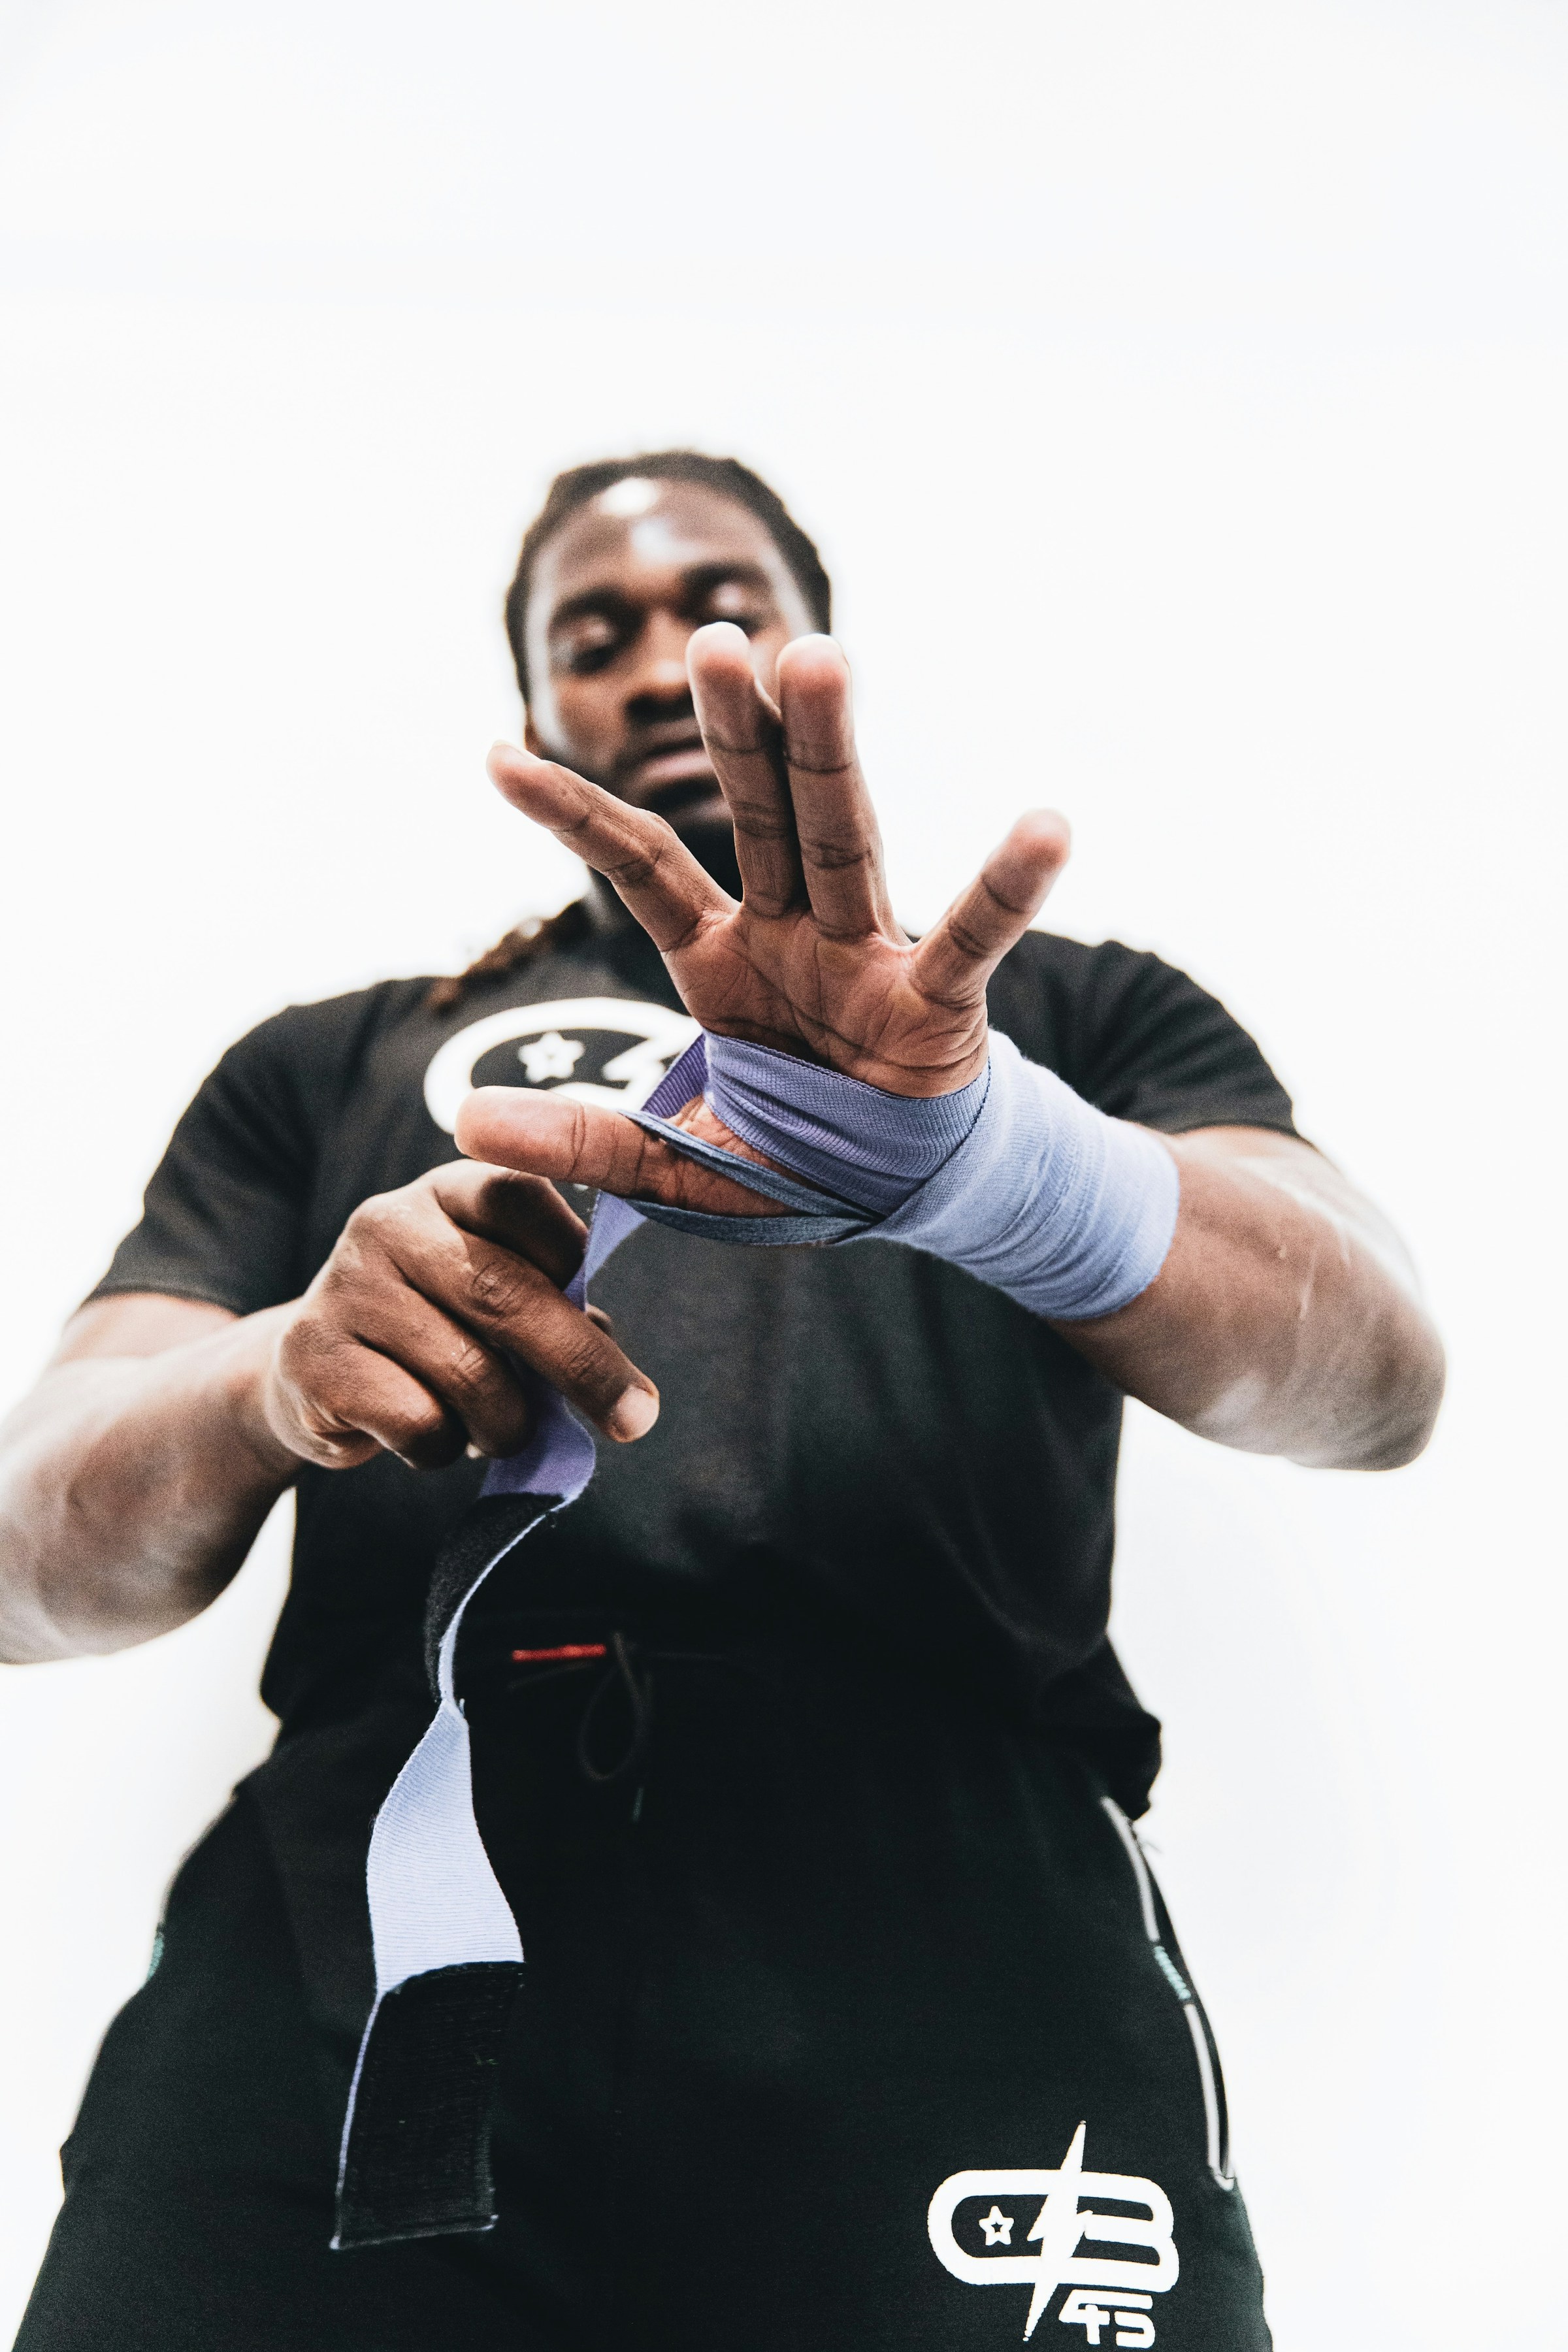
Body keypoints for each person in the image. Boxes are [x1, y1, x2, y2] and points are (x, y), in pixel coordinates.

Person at [1, 451, 1443, 2352]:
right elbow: (30, 1557)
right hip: (369, 1923)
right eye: (592, 635)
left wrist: (1000, 1162)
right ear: (537, 713)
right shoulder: (323, 1065)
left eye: (721, 604)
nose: (665, 660)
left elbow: (1376, 1383)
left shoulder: (1065, 1022)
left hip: (947, 1905)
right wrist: (265, 1379)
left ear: (810, 646)